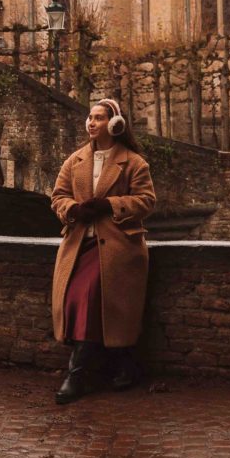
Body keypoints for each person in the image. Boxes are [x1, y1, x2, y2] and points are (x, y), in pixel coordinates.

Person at [50, 98, 156, 404]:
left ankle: (77, 376)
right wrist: (73, 209)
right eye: (90, 117)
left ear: (115, 124)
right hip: (80, 245)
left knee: (90, 295)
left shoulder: (134, 162)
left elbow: (146, 201)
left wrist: (110, 205)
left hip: (118, 247)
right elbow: (58, 197)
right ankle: (124, 364)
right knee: (77, 298)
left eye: (99, 118)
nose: (91, 123)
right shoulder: (75, 160)